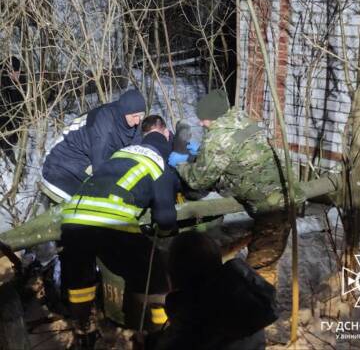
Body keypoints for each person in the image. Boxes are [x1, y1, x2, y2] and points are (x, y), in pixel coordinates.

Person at [60, 116, 179, 349]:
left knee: (80, 275)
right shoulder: (158, 165)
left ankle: (85, 331)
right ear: (165, 137)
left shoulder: (120, 155)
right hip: (112, 222)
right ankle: (159, 334)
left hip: (73, 218)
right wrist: (167, 234)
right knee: (155, 276)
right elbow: (165, 218)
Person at [168, 89, 305, 285]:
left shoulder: (217, 138)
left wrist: (180, 164)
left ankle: (262, 310)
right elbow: (235, 155)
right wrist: (203, 152)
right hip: (283, 194)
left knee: (260, 270)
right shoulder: (241, 120)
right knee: (263, 259)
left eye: (204, 119)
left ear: (214, 117)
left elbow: (198, 181)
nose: (200, 123)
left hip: (273, 207)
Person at [146, 231, 277, 350]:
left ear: (175, 276)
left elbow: (189, 337)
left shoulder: (192, 322)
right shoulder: (243, 301)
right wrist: (151, 341)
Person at [41, 88, 146, 203]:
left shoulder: (133, 123)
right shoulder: (105, 124)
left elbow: (136, 151)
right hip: (61, 168)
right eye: (135, 116)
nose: (137, 121)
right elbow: (100, 166)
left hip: (83, 166)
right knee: (90, 207)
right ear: (124, 111)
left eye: (141, 116)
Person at [0, 56, 25, 163]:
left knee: (15, 136)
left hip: (15, 110)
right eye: (12, 72)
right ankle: (10, 156)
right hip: (3, 110)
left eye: (17, 72)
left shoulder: (22, 78)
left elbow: (21, 98)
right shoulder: (2, 79)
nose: (15, 75)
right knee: (5, 133)